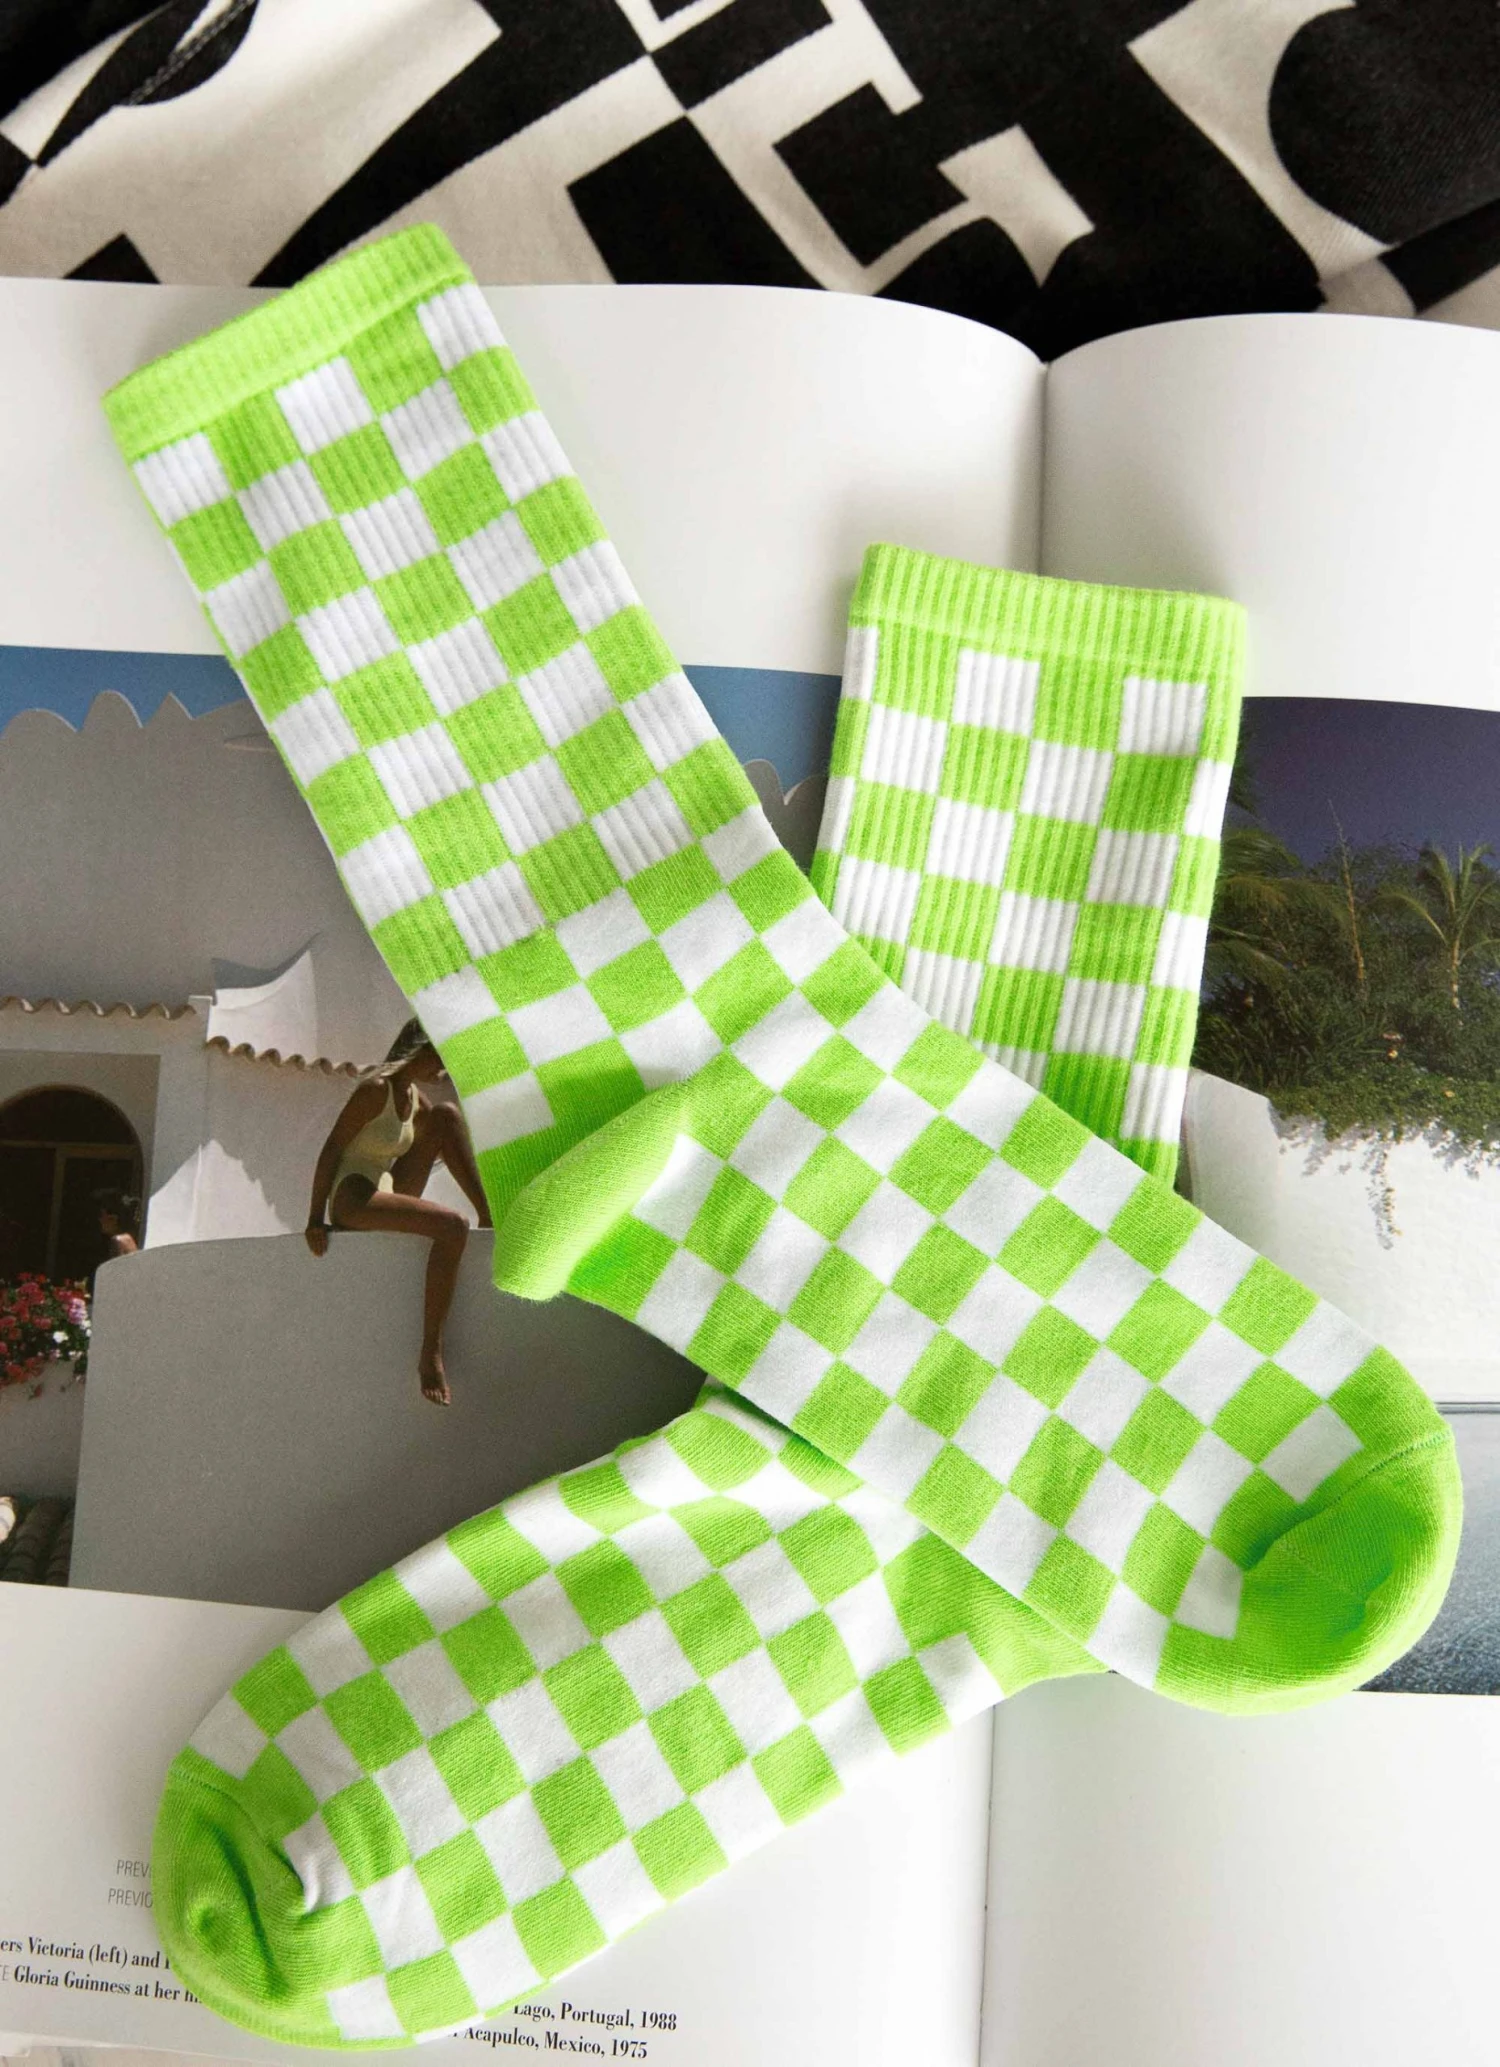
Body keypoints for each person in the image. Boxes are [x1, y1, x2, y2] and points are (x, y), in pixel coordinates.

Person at [305, 1020, 492, 1406]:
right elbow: (332, 1148)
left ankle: (488, 1216)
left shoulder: (414, 1099)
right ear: (419, 1050)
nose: (443, 1067)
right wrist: (314, 1218)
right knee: (452, 1227)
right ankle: (431, 1353)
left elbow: (444, 1137)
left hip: (385, 1189)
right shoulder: (375, 1091)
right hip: (353, 1196)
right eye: (439, 1055)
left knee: (447, 1115)